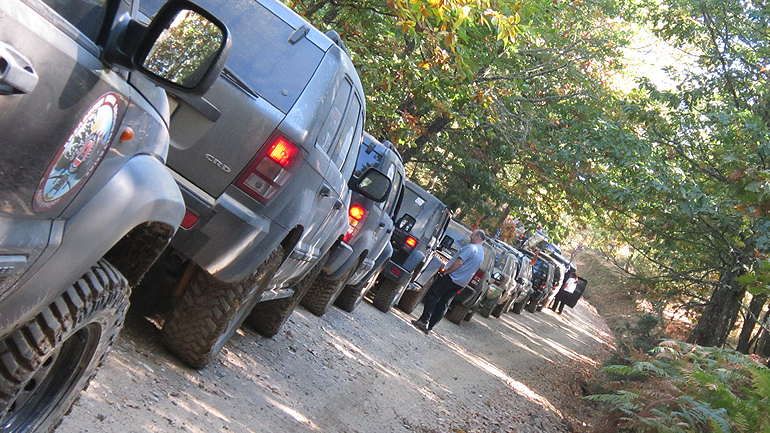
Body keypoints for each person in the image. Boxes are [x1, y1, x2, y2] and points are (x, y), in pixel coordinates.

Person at [411, 229, 486, 334]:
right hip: (461, 283)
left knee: (432, 295)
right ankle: (430, 326)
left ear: (478, 237)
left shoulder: (471, 248)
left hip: (451, 277)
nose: (470, 237)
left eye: (472, 235)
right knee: (444, 303)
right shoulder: (481, 253)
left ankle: (424, 320)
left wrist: (446, 271)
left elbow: (459, 263)